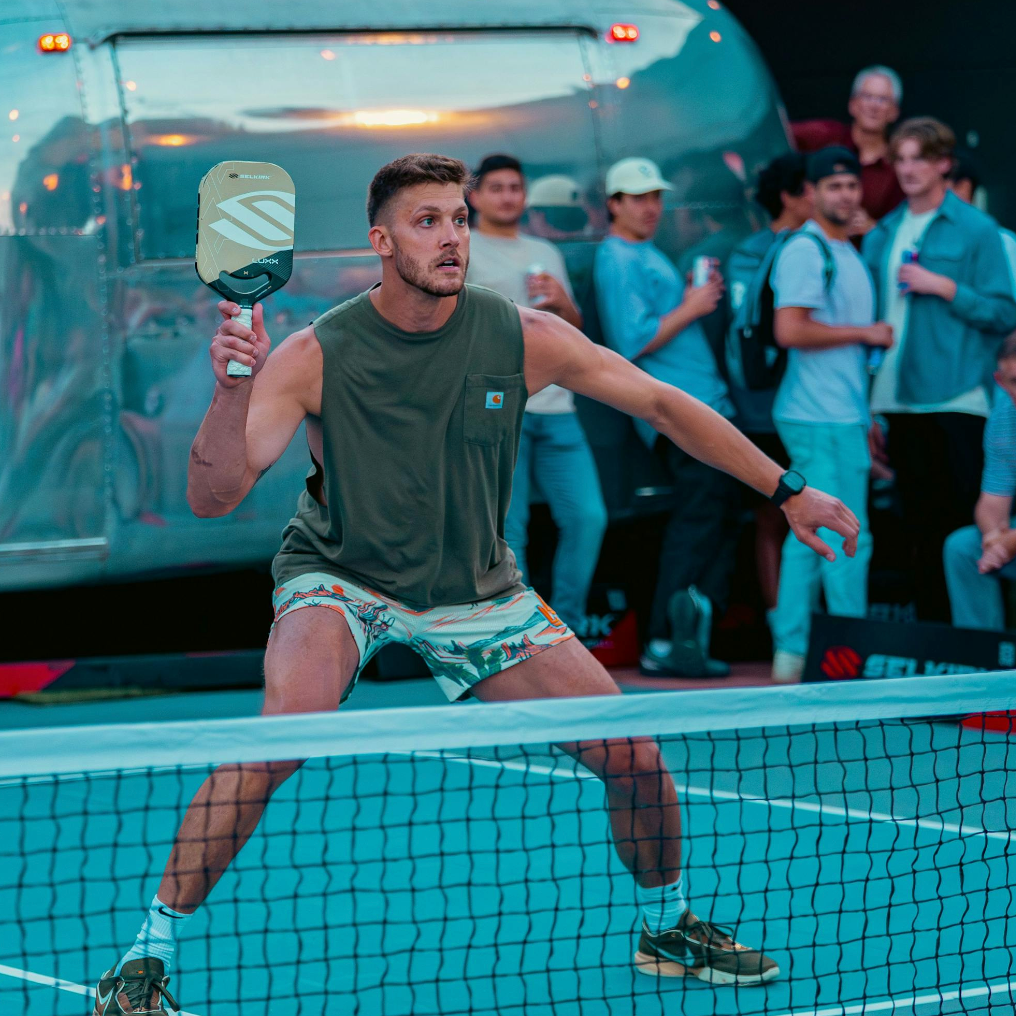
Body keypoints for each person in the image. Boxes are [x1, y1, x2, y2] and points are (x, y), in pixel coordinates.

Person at [91, 153, 860, 1014]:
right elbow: (213, 493)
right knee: (280, 734)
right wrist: (233, 386)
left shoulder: (523, 335)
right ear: (382, 242)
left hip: (479, 593)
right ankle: (143, 961)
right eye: (429, 222)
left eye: (458, 219)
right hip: (342, 577)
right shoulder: (314, 354)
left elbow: (663, 405)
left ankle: (666, 924)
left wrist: (787, 490)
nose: (452, 236)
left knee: (636, 756)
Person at [864, 118, 1016, 622]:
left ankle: (974, 650)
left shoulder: (977, 229)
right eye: (900, 159)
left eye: (919, 159)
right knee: (916, 528)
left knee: (957, 528)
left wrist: (943, 286)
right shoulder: (883, 232)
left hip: (958, 397)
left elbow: (1003, 313)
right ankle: (934, 648)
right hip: (896, 397)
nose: (907, 169)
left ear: (944, 165)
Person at [593, 157, 739, 678]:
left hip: (703, 408)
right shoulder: (619, 257)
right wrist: (696, 304)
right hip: (680, 415)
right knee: (697, 525)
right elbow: (629, 342)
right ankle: (662, 641)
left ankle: (684, 638)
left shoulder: (643, 253)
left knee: (711, 524)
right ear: (614, 204)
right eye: (637, 198)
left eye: (655, 196)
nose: (650, 207)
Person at [466, 153, 606, 631]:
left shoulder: (547, 252)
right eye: (497, 188)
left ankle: (564, 628)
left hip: (559, 406)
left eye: (515, 188)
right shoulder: (464, 248)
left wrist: (563, 301)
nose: (508, 196)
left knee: (589, 517)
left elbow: (574, 332)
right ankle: (520, 635)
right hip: (500, 407)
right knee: (511, 531)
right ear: (475, 196)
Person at [769, 147, 893, 683]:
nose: (844, 194)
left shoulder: (846, 249)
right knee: (848, 537)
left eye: (851, 185)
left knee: (813, 538)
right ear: (812, 193)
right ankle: (846, 658)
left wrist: (864, 415)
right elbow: (790, 330)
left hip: (839, 416)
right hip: (817, 417)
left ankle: (795, 658)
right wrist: (866, 333)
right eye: (833, 186)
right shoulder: (806, 249)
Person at [725, 152, 813, 619]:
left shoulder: (833, 244)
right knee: (774, 513)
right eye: (817, 186)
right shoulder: (752, 251)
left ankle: (802, 625)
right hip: (764, 405)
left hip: (811, 404)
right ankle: (782, 624)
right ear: (794, 195)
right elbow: (748, 328)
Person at [944, 334, 1016, 630]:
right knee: (963, 547)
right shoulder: (1004, 419)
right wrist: (991, 538)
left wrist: (1007, 544)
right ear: (1000, 381)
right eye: (1014, 381)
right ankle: (983, 663)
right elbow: (991, 502)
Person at [793, 65, 905, 236]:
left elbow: (903, 228)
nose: (874, 106)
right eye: (867, 96)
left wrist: (872, 227)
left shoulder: (900, 164)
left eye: (883, 99)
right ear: (853, 105)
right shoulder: (825, 136)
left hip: (862, 257)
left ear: (894, 112)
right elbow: (774, 131)